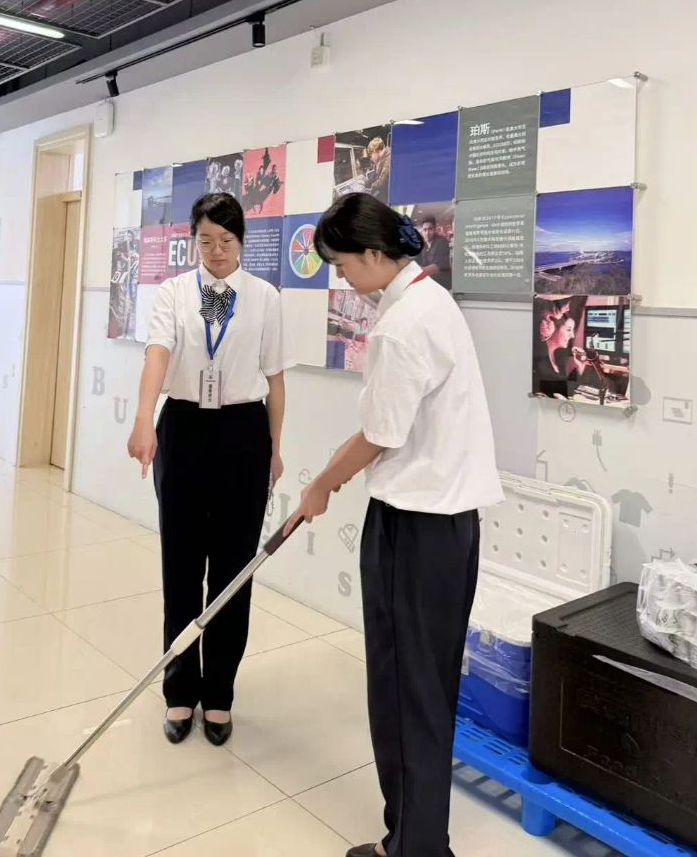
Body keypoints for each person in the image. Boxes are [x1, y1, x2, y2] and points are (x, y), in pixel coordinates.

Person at [286, 193, 502, 857]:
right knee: (428, 690)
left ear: (377, 255)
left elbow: (382, 434)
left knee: (404, 691)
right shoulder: (431, 302)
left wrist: (321, 484)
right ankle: (417, 840)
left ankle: (411, 848)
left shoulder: (402, 325)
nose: (341, 277)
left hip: (414, 529)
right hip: (450, 526)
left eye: (343, 264)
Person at [127, 192, 285, 747]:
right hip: (185, 428)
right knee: (181, 567)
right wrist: (144, 419)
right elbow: (157, 353)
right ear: (193, 239)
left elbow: (276, 379)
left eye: (227, 240)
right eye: (206, 240)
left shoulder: (264, 297)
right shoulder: (173, 292)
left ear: (242, 241)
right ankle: (179, 690)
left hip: (244, 432)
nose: (216, 251)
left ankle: (219, 693)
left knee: (233, 573)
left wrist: (275, 448)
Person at [412, 209, 452, 292]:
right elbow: (415, 261)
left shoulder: (441, 242)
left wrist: (418, 271)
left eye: (430, 229)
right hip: (429, 284)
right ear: (422, 231)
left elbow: (436, 267)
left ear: (435, 230)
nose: (427, 233)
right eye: (425, 230)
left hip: (442, 285)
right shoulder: (423, 246)